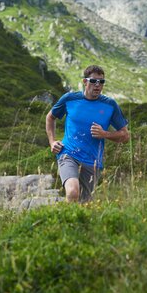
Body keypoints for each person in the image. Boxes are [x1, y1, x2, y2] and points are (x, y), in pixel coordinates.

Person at [45, 65, 129, 202]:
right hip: (68, 153)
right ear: (85, 82)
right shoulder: (70, 99)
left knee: (85, 204)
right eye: (93, 81)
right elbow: (50, 117)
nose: (97, 85)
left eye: (101, 82)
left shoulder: (110, 105)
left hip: (92, 161)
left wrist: (105, 134)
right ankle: (63, 221)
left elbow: (125, 135)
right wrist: (52, 141)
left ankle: (71, 221)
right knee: (72, 192)